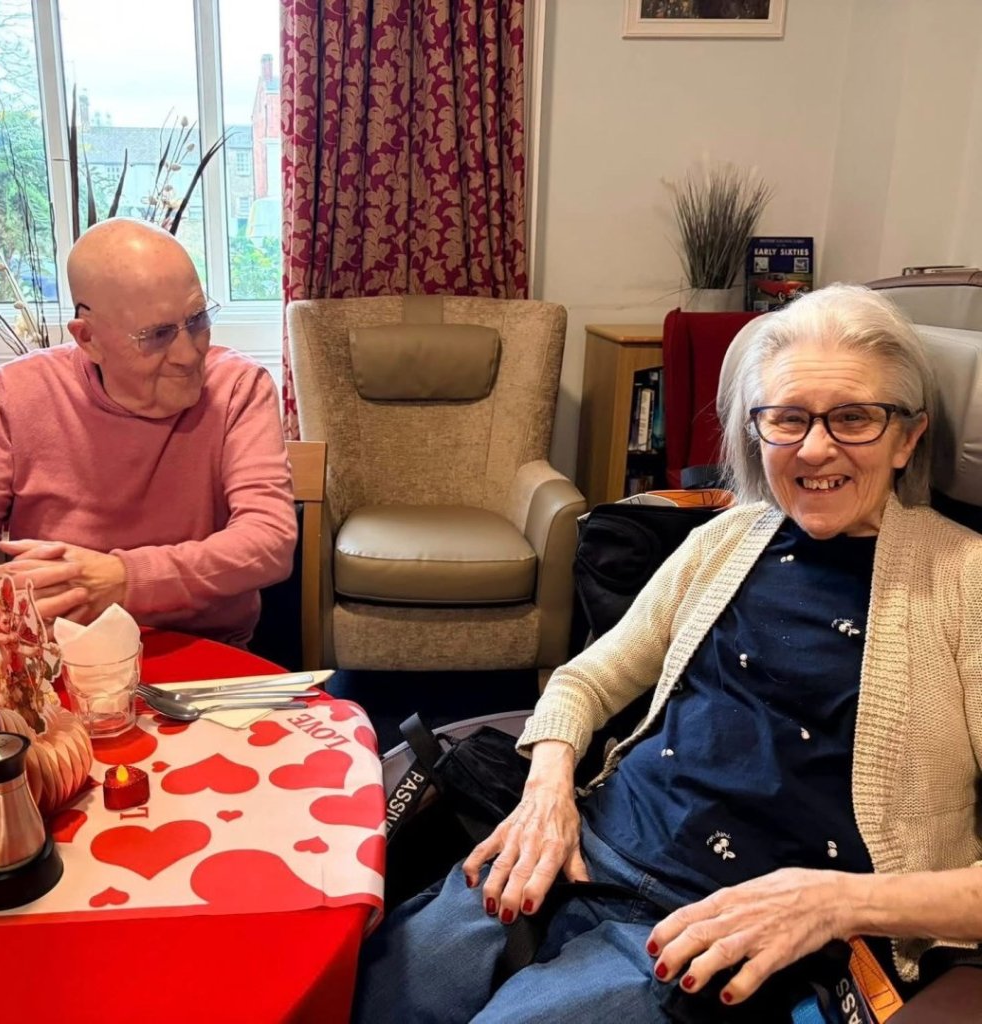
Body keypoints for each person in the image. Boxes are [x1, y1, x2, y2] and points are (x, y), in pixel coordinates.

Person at [353, 284, 982, 1022]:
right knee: (372, 991)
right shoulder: (724, 542)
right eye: (787, 418)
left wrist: (835, 902)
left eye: (853, 418)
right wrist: (547, 792)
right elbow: (586, 678)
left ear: (908, 437)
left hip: (727, 930)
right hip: (590, 850)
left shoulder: (965, 581)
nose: (815, 448)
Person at [0, 219, 296, 646]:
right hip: (56, 651)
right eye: (156, 336)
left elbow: (269, 542)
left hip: (200, 651)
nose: (189, 353)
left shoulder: (238, 387)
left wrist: (123, 579)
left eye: (197, 320)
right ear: (88, 339)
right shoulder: (20, 391)